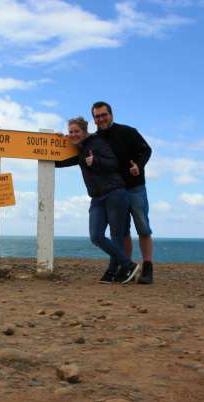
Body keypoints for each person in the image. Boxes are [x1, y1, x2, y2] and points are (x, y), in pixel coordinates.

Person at [56, 117, 139, 284]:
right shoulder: (79, 150)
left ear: (84, 131)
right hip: (97, 198)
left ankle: (111, 272)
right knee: (96, 236)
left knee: (117, 235)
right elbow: (58, 163)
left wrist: (96, 161)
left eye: (76, 131)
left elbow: (113, 163)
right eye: (71, 132)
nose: (73, 134)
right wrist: (55, 143)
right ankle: (128, 264)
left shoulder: (97, 143)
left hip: (115, 192)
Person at [91, 101, 154, 284]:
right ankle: (128, 268)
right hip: (114, 192)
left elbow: (146, 150)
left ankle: (148, 268)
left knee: (143, 227)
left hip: (135, 187)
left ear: (111, 114)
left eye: (104, 115)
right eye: (97, 116)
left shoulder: (128, 131)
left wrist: (138, 165)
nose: (101, 119)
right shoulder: (95, 139)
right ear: (94, 119)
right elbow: (78, 147)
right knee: (122, 231)